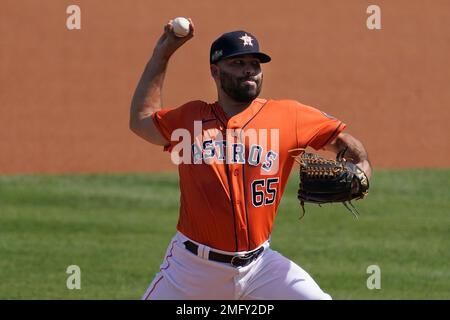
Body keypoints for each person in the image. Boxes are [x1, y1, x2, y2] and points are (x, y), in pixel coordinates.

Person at [130, 19, 372, 300]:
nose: (249, 70)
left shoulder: (289, 116)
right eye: (237, 62)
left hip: (260, 267)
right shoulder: (189, 119)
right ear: (215, 71)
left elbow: (352, 149)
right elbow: (141, 120)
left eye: (255, 64)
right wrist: (164, 53)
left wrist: (362, 173)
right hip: (192, 270)